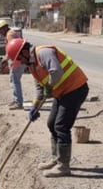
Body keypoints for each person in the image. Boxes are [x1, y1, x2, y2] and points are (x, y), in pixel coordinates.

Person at [6, 38, 89, 177]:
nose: (20, 63)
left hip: (75, 89)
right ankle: (56, 159)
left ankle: (64, 166)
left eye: (19, 59)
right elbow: (40, 88)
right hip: (62, 92)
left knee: (61, 126)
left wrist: (49, 87)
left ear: (25, 52)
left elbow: (56, 72)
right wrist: (35, 107)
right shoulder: (32, 65)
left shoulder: (43, 53)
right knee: (52, 124)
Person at [0, 19, 27, 110]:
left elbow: (13, 49)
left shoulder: (10, 35)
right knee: (13, 80)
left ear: (4, 28)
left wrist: (6, 59)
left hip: (17, 61)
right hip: (18, 60)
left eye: (0, 31)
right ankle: (16, 99)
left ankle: (18, 103)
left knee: (15, 81)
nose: (0, 33)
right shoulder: (11, 33)